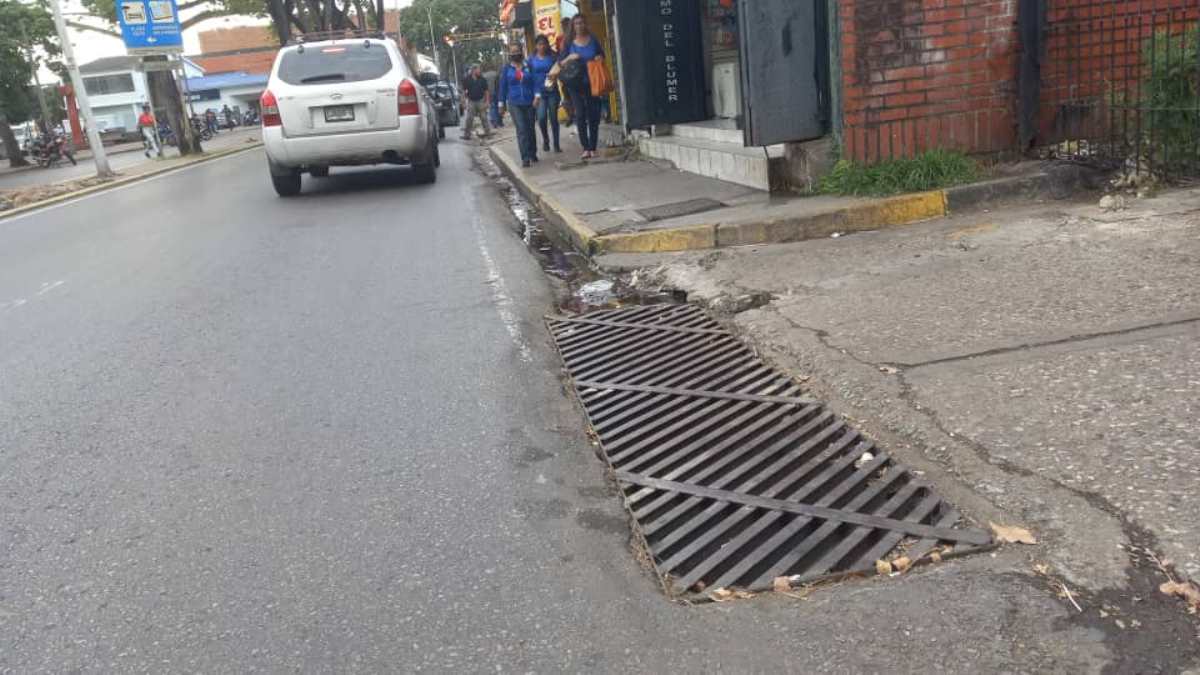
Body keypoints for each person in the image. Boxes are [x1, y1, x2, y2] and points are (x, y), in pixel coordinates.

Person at [561, 15, 605, 159]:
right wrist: (569, 57)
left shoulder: (593, 40)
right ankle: (585, 147)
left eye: (581, 23)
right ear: (572, 27)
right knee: (580, 114)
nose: (579, 26)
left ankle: (593, 147)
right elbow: (560, 63)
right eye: (576, 24)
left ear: (585, 24)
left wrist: (599, 58)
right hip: (574, 84)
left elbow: (601, 55)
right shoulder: (568, 43)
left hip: (592, 82)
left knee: (594, 115)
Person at [498, 43, 538, 167]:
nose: (515, 54)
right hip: (514, 103)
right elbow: (503, 87)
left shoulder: (528, 65)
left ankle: (532, 152)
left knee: (530, 128)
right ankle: (525, 158)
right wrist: (501, 104)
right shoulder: (507, 69)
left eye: (517, 51)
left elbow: (536, 81)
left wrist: (537, 96)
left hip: (529, 101)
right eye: (512, 52)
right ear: (510, 54)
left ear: (521, 51)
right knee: (521, 129)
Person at [529, 34, 562, 154]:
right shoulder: (531, 59)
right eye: (539, 44)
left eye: (544, 44)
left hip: (552, 91)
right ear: (536, 46)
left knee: (553, 118)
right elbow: (529, 75)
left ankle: (556, 144)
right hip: (539, 94)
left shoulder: (553, 57)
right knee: (542, 118)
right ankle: (546, 139)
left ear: (547, 45)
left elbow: (560, 69)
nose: (542, 46)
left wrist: (555, 75)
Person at [460, 65, 492, 141]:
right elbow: (463, 92)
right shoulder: (466, 79)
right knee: (469, 118)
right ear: (473, 70)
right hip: (471, 101)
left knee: (484, 117)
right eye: (478, 70)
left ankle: (488, 134)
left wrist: (487, 101)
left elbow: (486, 91)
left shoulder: (482, 79)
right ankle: (467, 135)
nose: (480, 71)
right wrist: (463, 102)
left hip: (481, 100)